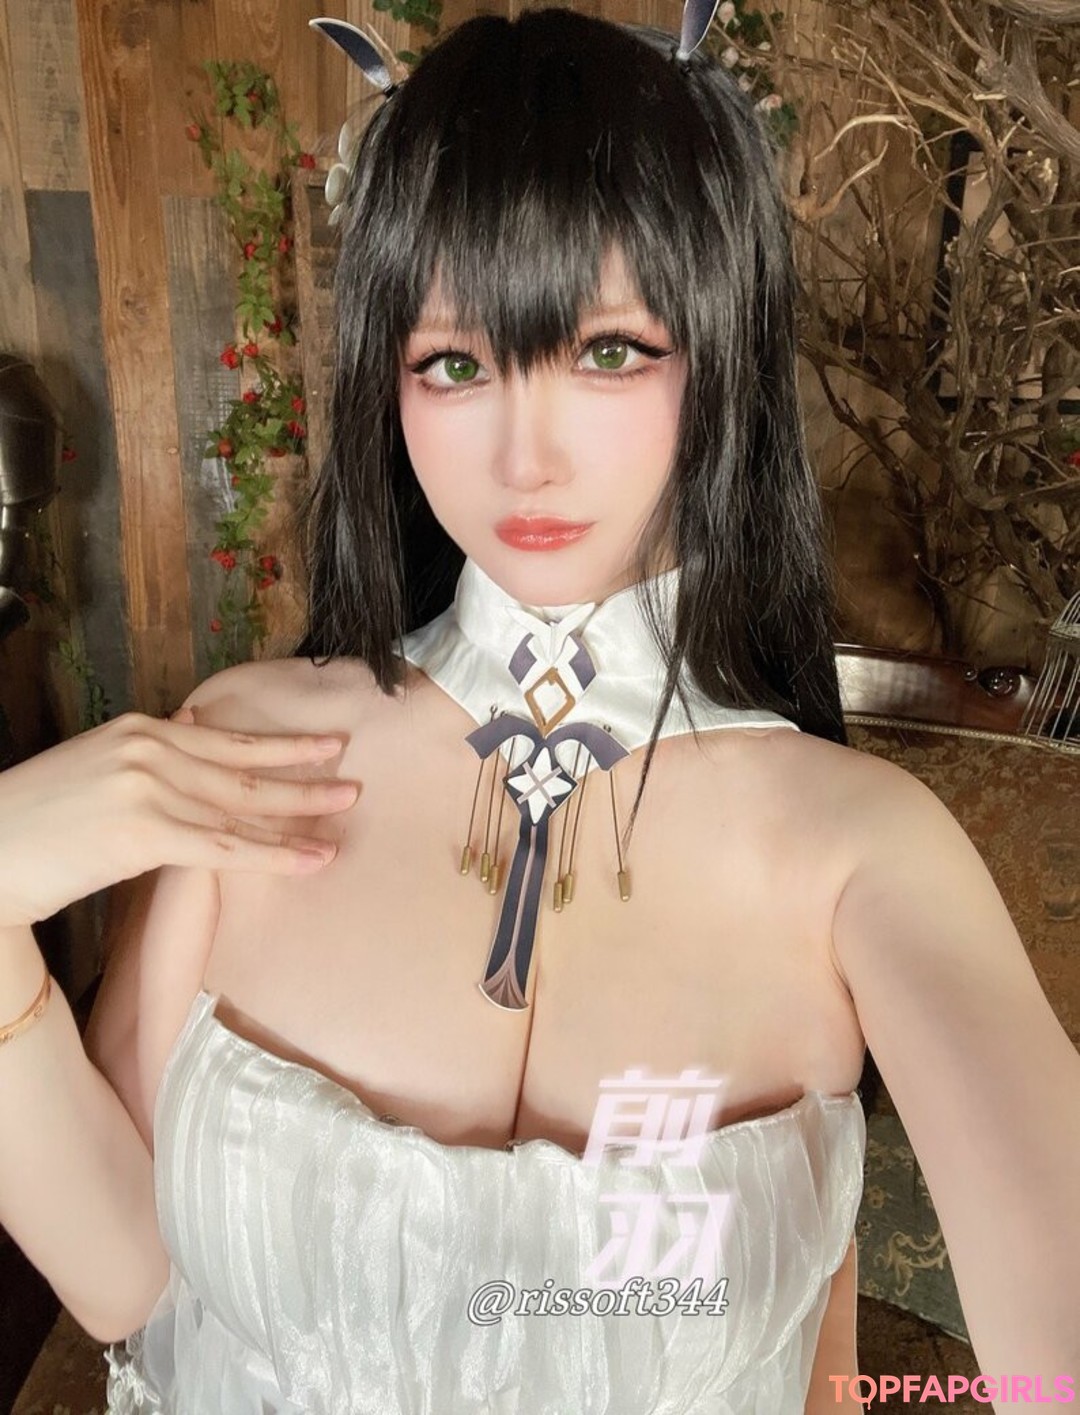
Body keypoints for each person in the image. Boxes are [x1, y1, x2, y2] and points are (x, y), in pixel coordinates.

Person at [0, 7, 1077, 1413]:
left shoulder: (861, 848)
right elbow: (130, 1275)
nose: (528, 454)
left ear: (720, 351)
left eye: (611, 351)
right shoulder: (247, 743)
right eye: (455, 364)